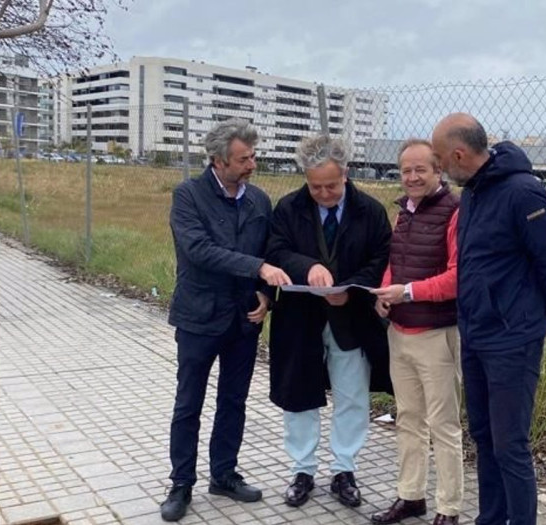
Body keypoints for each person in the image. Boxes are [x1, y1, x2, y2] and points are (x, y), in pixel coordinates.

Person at [430, 113, 546, 525]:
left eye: (441, 160)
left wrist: (537, 317)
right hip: (476, 335)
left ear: (459, 153)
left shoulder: (522, 193)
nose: (440, 168)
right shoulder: (473, 193)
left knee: (510, 445)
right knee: (484, 437)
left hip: (512, 341)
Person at [160, 118, 292, 522]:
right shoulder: (188, 196)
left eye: (253, 156)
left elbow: (271, 252)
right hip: (199, 317)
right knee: (189, 404)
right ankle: (181, 483)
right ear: (218, 161)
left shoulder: (259, 201)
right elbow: (199, 251)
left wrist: (266, 296)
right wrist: (260, 267)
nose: (252, 164)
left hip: (244, 321)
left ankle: (224, 475)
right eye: (243, 159)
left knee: (233, 402)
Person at [265, 133, 393, 510]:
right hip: (300, 317)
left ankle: (344, 469)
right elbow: (275, 251)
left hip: (350, 318)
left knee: (351, 393)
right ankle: (303, 469)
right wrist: (309, 268)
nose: (323, 193)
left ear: (347, 174)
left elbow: (381, 258)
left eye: (331, 185)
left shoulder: (370, 210)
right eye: (315, 186)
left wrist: (351, 290)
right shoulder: (288, 208)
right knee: (299, 392)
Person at [369, 139, 464, 525]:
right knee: (408, 418)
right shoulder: (403, 212)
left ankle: (449, 508)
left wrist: (406, 292)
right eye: (405, 170)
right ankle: (411, 497)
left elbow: (460, 277)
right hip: (400, 330)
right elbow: (397, 262)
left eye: (420, 169)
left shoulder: (456, 211)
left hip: (436, 334)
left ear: (438, 170)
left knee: (443, 424)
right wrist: (385, 294)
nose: (411, 177)